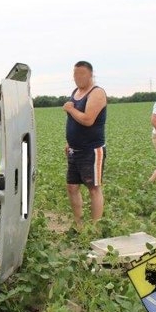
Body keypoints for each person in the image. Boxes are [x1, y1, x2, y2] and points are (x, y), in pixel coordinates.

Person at [62, 61, 107, 229]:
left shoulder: (97, 93)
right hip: (75, 150)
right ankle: (79, 224)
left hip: (91, 150)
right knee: (72, 186)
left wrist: (70, 109)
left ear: (91, 75)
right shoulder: (76, 92)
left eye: (82, 74)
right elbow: (73, 121)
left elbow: (88, 120)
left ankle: (95, 227)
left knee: (93, 188)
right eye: (75, 74)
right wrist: (69, 141)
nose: (78, 78)